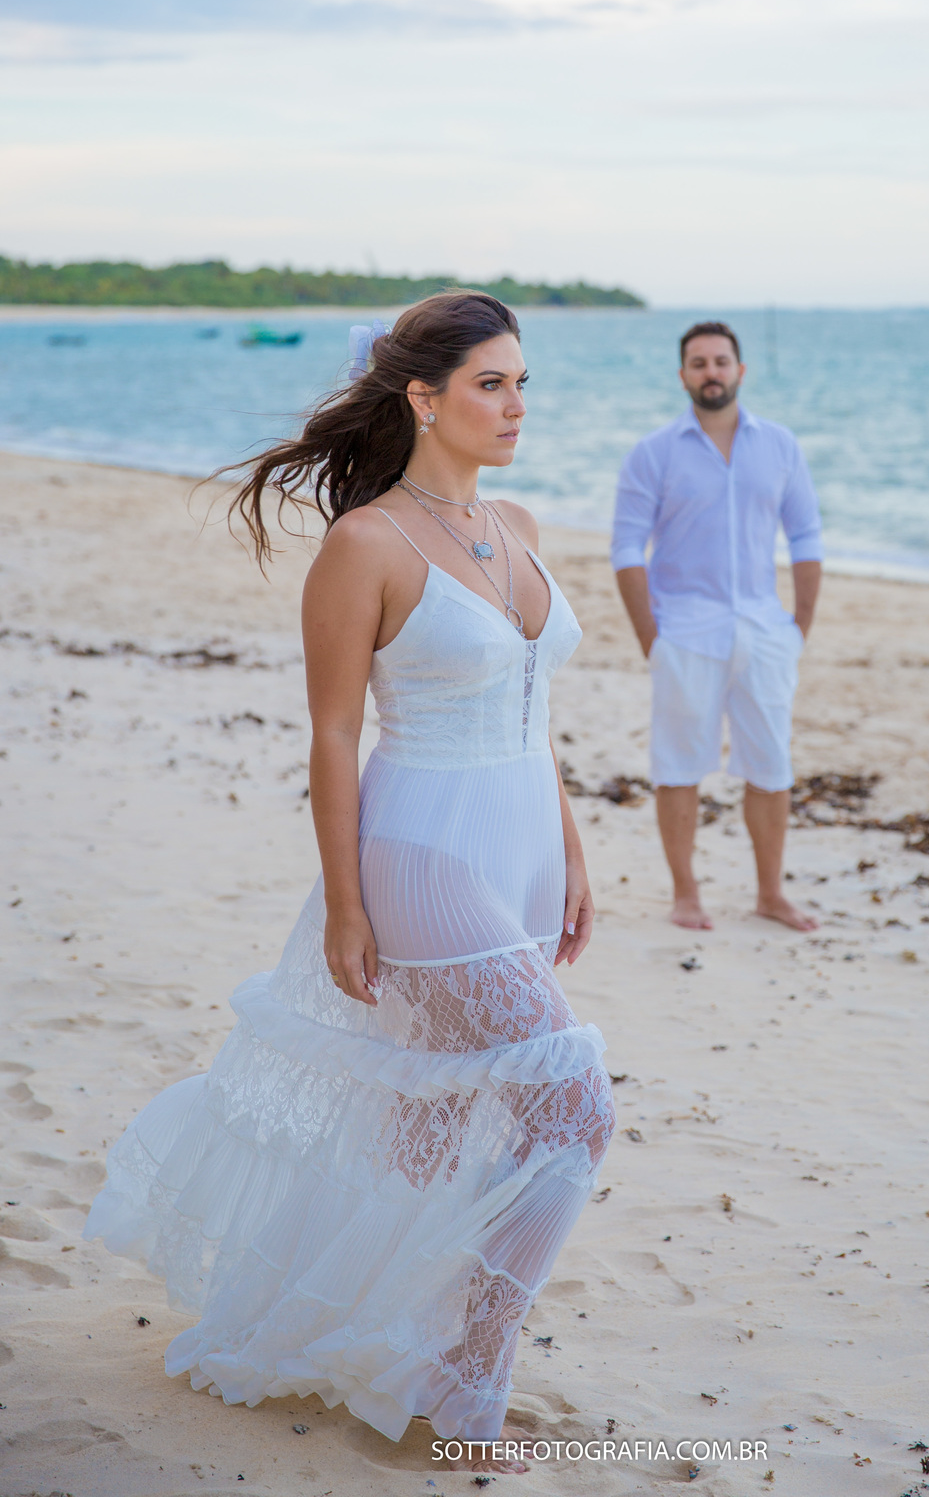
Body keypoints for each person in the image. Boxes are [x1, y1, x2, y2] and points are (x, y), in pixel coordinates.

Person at [84, 291, 614, 1475]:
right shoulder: (364, 544)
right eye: (491, 384)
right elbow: (331, 738)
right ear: (424, 399)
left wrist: (574, 851)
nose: (517, 405)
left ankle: (353, 1332)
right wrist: (347, 903)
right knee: (572, 1101)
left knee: (427, 1122)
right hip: (421, 850)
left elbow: (538, 712)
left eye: (524, 382)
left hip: (523, 842)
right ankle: (463, 1389)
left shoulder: (519, 521)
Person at [611, 320, 823, 932]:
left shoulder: (780, 446)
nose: (711, 372)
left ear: (740, 370)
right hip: (684, 633)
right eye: (699, 363)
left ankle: (770, 895)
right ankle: (686, 895)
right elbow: (627, 548)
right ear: (683, 375)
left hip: (764, 632)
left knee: (772, 765)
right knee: (678, 765)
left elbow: (806, 534)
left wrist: (798, 625)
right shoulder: (653, 453)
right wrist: (652, 638)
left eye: (721, 361)